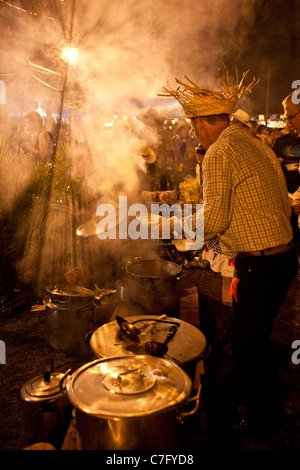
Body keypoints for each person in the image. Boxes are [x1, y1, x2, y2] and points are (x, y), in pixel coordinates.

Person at [159, 70, 299, 436]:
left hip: (261, 264)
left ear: (200, 123)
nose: (191, 131)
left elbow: (216, 216)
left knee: (248, 345)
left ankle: (262, 421)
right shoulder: (249, 139)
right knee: (251, 335)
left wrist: (175, 230)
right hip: (280, 259)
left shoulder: (220, 150)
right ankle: (243, 388)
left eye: (192, 124)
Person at [137, 108, 173, 190]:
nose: (149, 120)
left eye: (151, 118)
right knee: (146, 192)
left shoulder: (164, 134)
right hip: (145, 168)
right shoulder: (140, 133)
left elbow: (170, 152)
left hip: (161, 168)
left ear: (155, 119)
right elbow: (136, 151)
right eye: (147, 118)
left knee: (161, 196)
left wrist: (158, 149)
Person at [171, 120, 198, 190]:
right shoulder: (175, 143)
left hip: (191, 171)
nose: (186, 130)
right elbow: (173, 157)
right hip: (179, 172)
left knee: (192, 190)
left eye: (187, 128)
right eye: (183, 128)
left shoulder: (194, 142)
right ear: (179, 131)